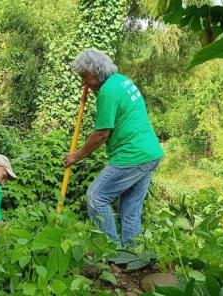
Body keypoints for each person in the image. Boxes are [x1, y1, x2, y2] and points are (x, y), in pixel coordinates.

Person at [64, 49, 163, 246]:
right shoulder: (121, 81)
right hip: (150, 152)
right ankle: (131, 256)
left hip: (132, 154)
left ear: (97, 71)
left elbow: (101, 134)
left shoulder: (108, 91)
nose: (85, 83)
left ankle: (109, 250)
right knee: (130, 208)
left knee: (96, 196)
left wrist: (76, 156)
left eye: (86, 77)